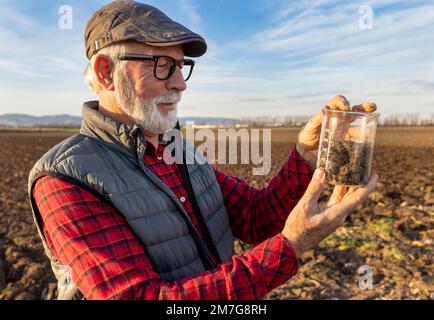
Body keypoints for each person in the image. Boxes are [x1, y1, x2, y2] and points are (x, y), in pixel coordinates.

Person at [28, 0, 378, 300]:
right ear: (106, 73)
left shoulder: (181, 153)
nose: (179, 84)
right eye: (162, 65)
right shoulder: (66, 180)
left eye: (181, 67)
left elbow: (256, 219)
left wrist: (305, 153)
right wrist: (291, 246)